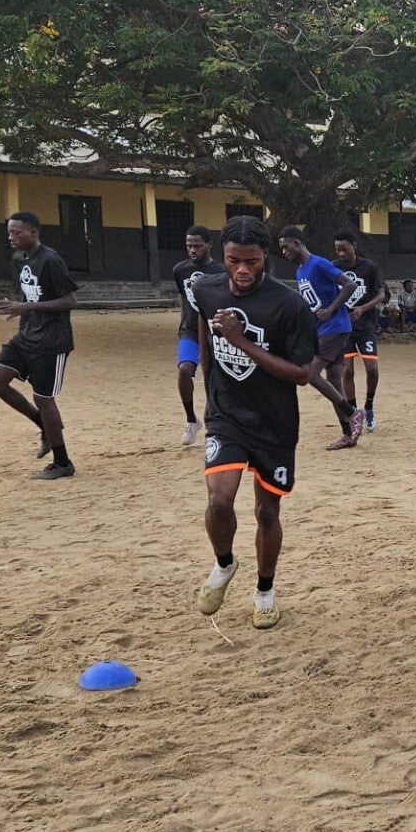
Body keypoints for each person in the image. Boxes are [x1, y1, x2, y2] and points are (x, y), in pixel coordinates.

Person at [193, 215, 317, 630]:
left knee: (266, 512)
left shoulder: (289, 306)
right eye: (234, 261)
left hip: (274, 422)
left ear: (266, 256)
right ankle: (224, 563)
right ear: (222, 256)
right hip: (226, 416)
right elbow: (202, 328)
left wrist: (240, 341)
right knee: (219, 501)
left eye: (252, 261)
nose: (243, 270)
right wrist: (208, 381)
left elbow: (302, 374)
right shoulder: (205, 289)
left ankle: (264, 592)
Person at [0, 211, 79, 480]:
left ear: (34, 233)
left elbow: (70, 301)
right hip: (26, 336)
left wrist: (26, 307)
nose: (11, 237)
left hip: (52, 341)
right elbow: (28, 297)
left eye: (17, 232)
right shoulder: (19, 259)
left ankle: (62, 462)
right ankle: (43, 424)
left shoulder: (51, 260)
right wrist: (18, 308)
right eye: (9, 232)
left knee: (43, 398)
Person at [276, 227, 361, 451]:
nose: (284, 251)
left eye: (286, 246)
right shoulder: (300, 271)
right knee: (333, 379)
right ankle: (348, 434)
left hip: (334, 327)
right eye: (281, 248)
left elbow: (350, 285)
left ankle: (352, 412)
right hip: (322, 329)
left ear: (297, 243)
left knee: (309, 374)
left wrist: (331, 310)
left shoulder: (319, 264)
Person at [334, 229, 387, 431]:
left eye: (344, 249)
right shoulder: (333, 268)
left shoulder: (369, 267)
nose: (341, 253)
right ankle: (354, 412)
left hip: (366, 325)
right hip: (343, 327)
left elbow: (381, 295)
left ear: (354, 246)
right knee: (347, 371)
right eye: (338, 250)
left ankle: (369, 406)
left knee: (371, 368)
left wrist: (362, 308)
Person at [173, 225, 221, 446]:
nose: (193, 250)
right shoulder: (180, 270)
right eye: (189, 246)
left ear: (209, 245)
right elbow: (184, 298)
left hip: (215, 332)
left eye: (198, 246)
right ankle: (191, 420)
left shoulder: (221, 270)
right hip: (190, 331)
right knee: (184, 369)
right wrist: (183, 322)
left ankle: (216, 422)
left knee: (213, 378)